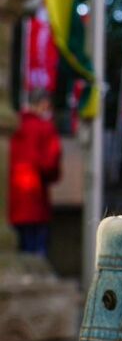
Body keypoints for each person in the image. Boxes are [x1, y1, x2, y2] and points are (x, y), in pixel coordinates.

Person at [9, 89, 62, 256]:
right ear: (43, 105)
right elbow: (51, 164)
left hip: (12, 204)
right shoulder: (45, 128)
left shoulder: (13, 128)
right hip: (35, 201)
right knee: (37, 256)